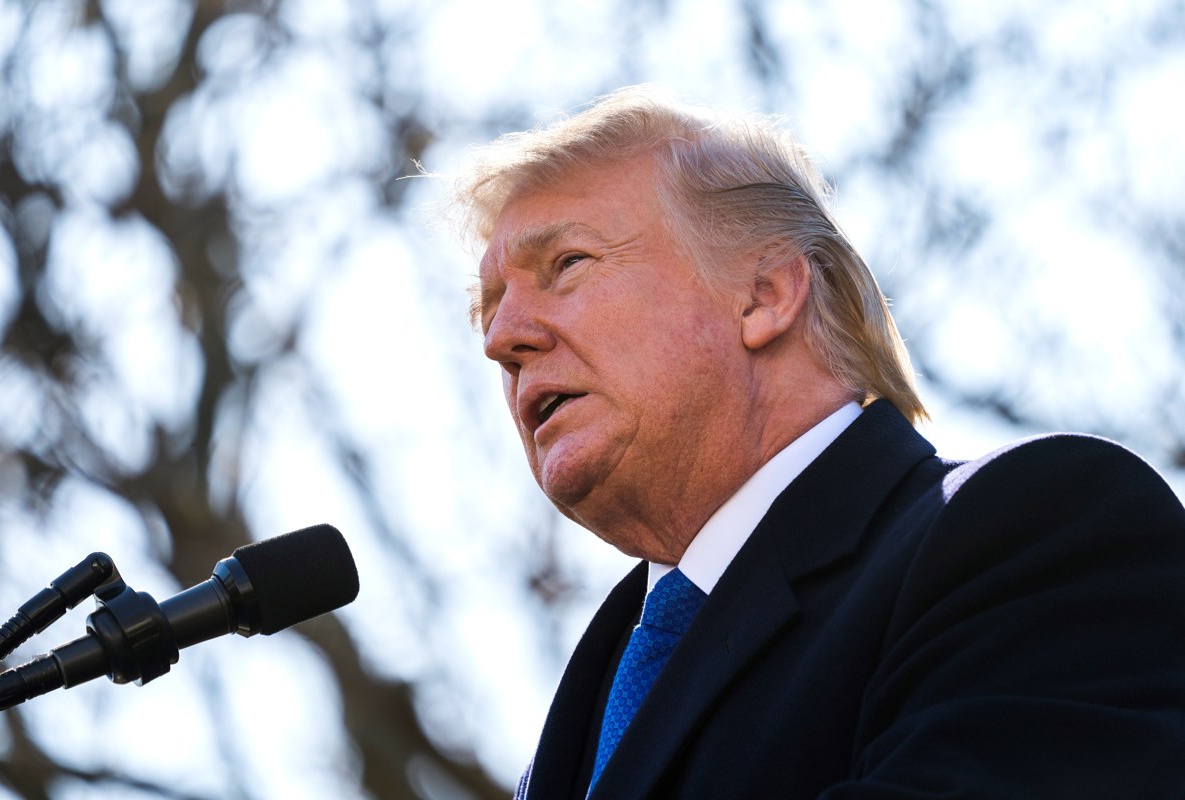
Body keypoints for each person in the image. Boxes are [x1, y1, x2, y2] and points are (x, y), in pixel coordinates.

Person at [448, 86, 1185, 799]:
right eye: (493, 304)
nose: (502, 339)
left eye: (567, 264)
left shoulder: (1035, 533)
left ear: (766, 293)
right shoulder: (600, 684)